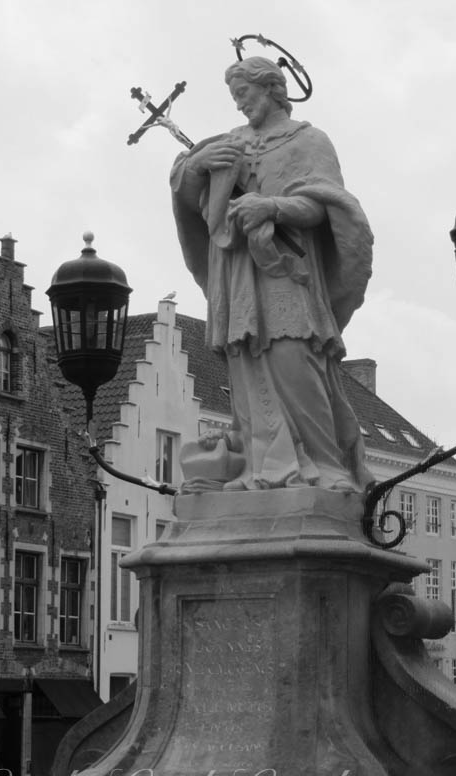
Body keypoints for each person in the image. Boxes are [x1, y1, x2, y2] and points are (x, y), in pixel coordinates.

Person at [171, 56, 374, 492]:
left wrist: (272, 207)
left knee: (293, 356)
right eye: (234, 97)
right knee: (247, 360)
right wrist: (198, 165)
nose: (240, 105)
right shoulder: (232, 140)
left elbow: (325, 204)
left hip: (290, 270)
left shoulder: (309, 140)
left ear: (271, 88)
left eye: (243, 94)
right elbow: (190, 196)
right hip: (239, 271)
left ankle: (326, 465)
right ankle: (264, 466)